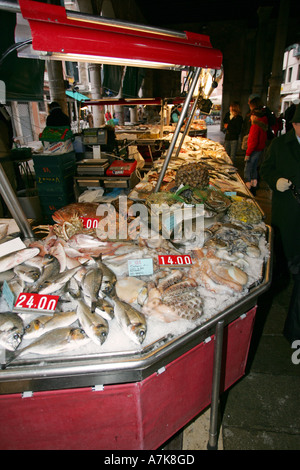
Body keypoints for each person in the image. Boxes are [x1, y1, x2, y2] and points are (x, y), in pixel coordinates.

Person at [260, 104, 300, 344]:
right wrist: (276, 181)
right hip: (288, 210)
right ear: (295, 125)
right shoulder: (279, 144)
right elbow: (266, 168)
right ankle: (279, 283)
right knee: (284, 254)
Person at [244, 104, 268, 194]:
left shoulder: (255, 126)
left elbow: (253, 141)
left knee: (248, 168)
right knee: (254, 168)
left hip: (253, 151)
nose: (251, 118)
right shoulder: (263, 125)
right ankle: (254, 186)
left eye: (251, 116)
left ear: (254, 116)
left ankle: (247, 189)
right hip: (259, 151)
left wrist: (248, 153)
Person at [0, 104, 17, 216]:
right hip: (4, 155)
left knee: (10, 189)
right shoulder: (3, 112)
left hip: (4, 156)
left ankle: (9, 215)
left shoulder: (2, 111)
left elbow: (9, 132)